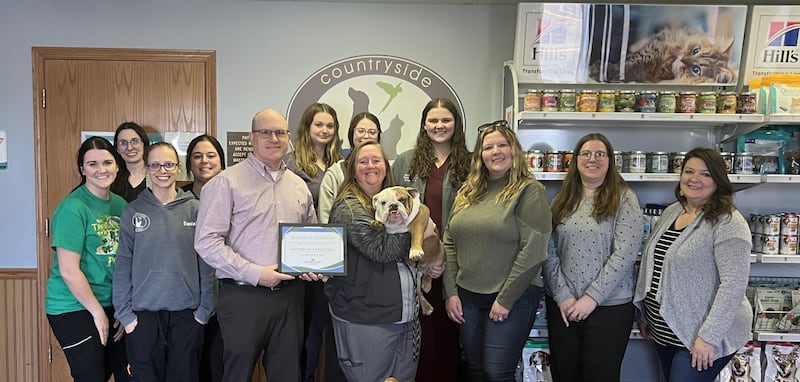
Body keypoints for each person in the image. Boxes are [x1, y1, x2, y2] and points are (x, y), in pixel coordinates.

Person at [194, 108, 318, 382]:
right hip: (243, 297)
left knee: (288, 376)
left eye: (280, 133)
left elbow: (310, 236)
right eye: (265, 132)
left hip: (291, 297)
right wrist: (255, 273)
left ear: (289, 138)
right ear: (251, 137)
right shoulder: (225, 182)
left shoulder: (299, 186)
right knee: (236, 375)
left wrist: (314, 266)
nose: (274, 138)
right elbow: (206, 242)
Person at [443, 120, 551, 382]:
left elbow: (534, 249)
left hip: (512, 297)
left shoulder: (529, 190)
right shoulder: (468, 192)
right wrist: (450, 292)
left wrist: (505, 300)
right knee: (476, 370)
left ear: (514, 149)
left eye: (502, 145)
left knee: (497, 373)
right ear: (480, 155)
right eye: (488, 147)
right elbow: (449, 241)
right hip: (468, 297)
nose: (496, 152)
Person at [634, 147, 752, 382]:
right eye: (689, 171)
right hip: (665, 331)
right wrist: (646, 315)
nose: (694, 179)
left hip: (699, 336)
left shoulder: (728, 222)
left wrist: (709, 337)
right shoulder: (672, 211)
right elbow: (656, 266)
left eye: (705, 174)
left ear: (718, 180)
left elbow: (733, 286)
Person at [325, 140, 437, 382]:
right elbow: (381, 250)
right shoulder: (349, 207)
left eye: (376, 160)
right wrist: (421, 232)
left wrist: (430, 256)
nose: (370, 166)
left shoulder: (395, 197)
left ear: (386, 167)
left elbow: (422, 219)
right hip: (367, 318)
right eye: (363, 161)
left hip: (404, 314)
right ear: (352, 169)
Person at [542, 133, 643, 382]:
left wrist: (591, 298)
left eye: (600, 154)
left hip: (610, 307)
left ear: (610, 161)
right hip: (564, 306)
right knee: (564, 375)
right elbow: (548, 250)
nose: (592, 159)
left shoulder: (625, 198)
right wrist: (563, 296)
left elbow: (625, 254)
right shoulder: (561, 200)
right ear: (575, 160)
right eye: (586, 153)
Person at [113, 142, 215, 381]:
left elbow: (207, 265)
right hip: (143, 318)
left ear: (178, 168)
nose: (162, 170)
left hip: (187, 316)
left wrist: (203, 312)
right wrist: (126, 317)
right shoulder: (133, 211)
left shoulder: (196, 209)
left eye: (169, 164)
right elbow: (123, 265)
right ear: (147, 169)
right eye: (156, 165)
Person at [392, 97, 471, 382]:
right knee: (420, 342)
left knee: (450, 337)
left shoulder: (471, 164)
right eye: (433, 120)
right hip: (414, 263)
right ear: (424, 124)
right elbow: (392, 213)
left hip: (456, 265)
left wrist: (443, 260)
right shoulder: (406, 161)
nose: (439, 125)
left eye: (446, 120)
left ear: (456, 124)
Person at [45, 136, 129, 382]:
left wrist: (122, 308)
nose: (101, 169)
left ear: (117, 166)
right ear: (82, 169)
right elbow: (69, 270)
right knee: (90, 375)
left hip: (110, 302)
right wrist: (98, 313)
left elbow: (126, 261)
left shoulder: (121, 205)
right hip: (74, 306)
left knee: (118, 372)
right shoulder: (73, 208)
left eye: (107, 162)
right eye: (92, 164)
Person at [284, 103, 344, 382]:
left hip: (334, 256)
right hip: (303, 259)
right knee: (306, 330)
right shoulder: (291, 164)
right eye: (319, 124)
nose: (325, 130)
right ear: (307, 127)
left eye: (330, 125)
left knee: (329, 328)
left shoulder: (341, 163)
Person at [182, 134, 226, 382]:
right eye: (197, 156)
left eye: (211, 155)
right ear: (189, 163)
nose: (204, 161)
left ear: (221, 161)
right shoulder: (179, 199)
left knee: (219, 365)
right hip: (189, 299)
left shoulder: (234, 195)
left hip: (226, 297)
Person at [318, 112, 381, 224]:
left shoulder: (384, 171)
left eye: (372, 132)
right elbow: (325, 220)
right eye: (360, 131)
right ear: (352, 134)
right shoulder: (336, 173)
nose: (366, 136)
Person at [111, 122, 151, 202]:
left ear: (144, 144)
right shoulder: (111, 177)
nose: (129, 148)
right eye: (123, 143)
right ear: (117, 148)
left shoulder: (155, 174)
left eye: (135, 141)